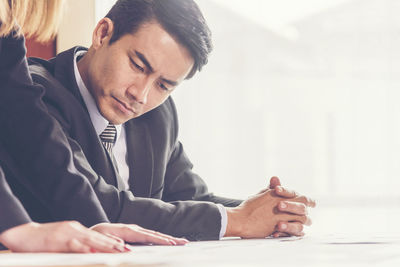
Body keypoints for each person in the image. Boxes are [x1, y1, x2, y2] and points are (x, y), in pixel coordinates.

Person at [3, 0, 315, 241]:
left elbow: (190, 199)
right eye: (137, 65)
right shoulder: (33, 96)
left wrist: (269, 211)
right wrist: (238, 220)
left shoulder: (157, 115)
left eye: (164, 85)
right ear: (102, 33)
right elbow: (101, 206)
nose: (141, 94)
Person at [0, 0, 187, 252]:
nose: (140, 95)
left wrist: (95, 224)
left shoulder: (7, 24)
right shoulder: (50, 89)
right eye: (138, 66)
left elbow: (27, 121)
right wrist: (17, 227)